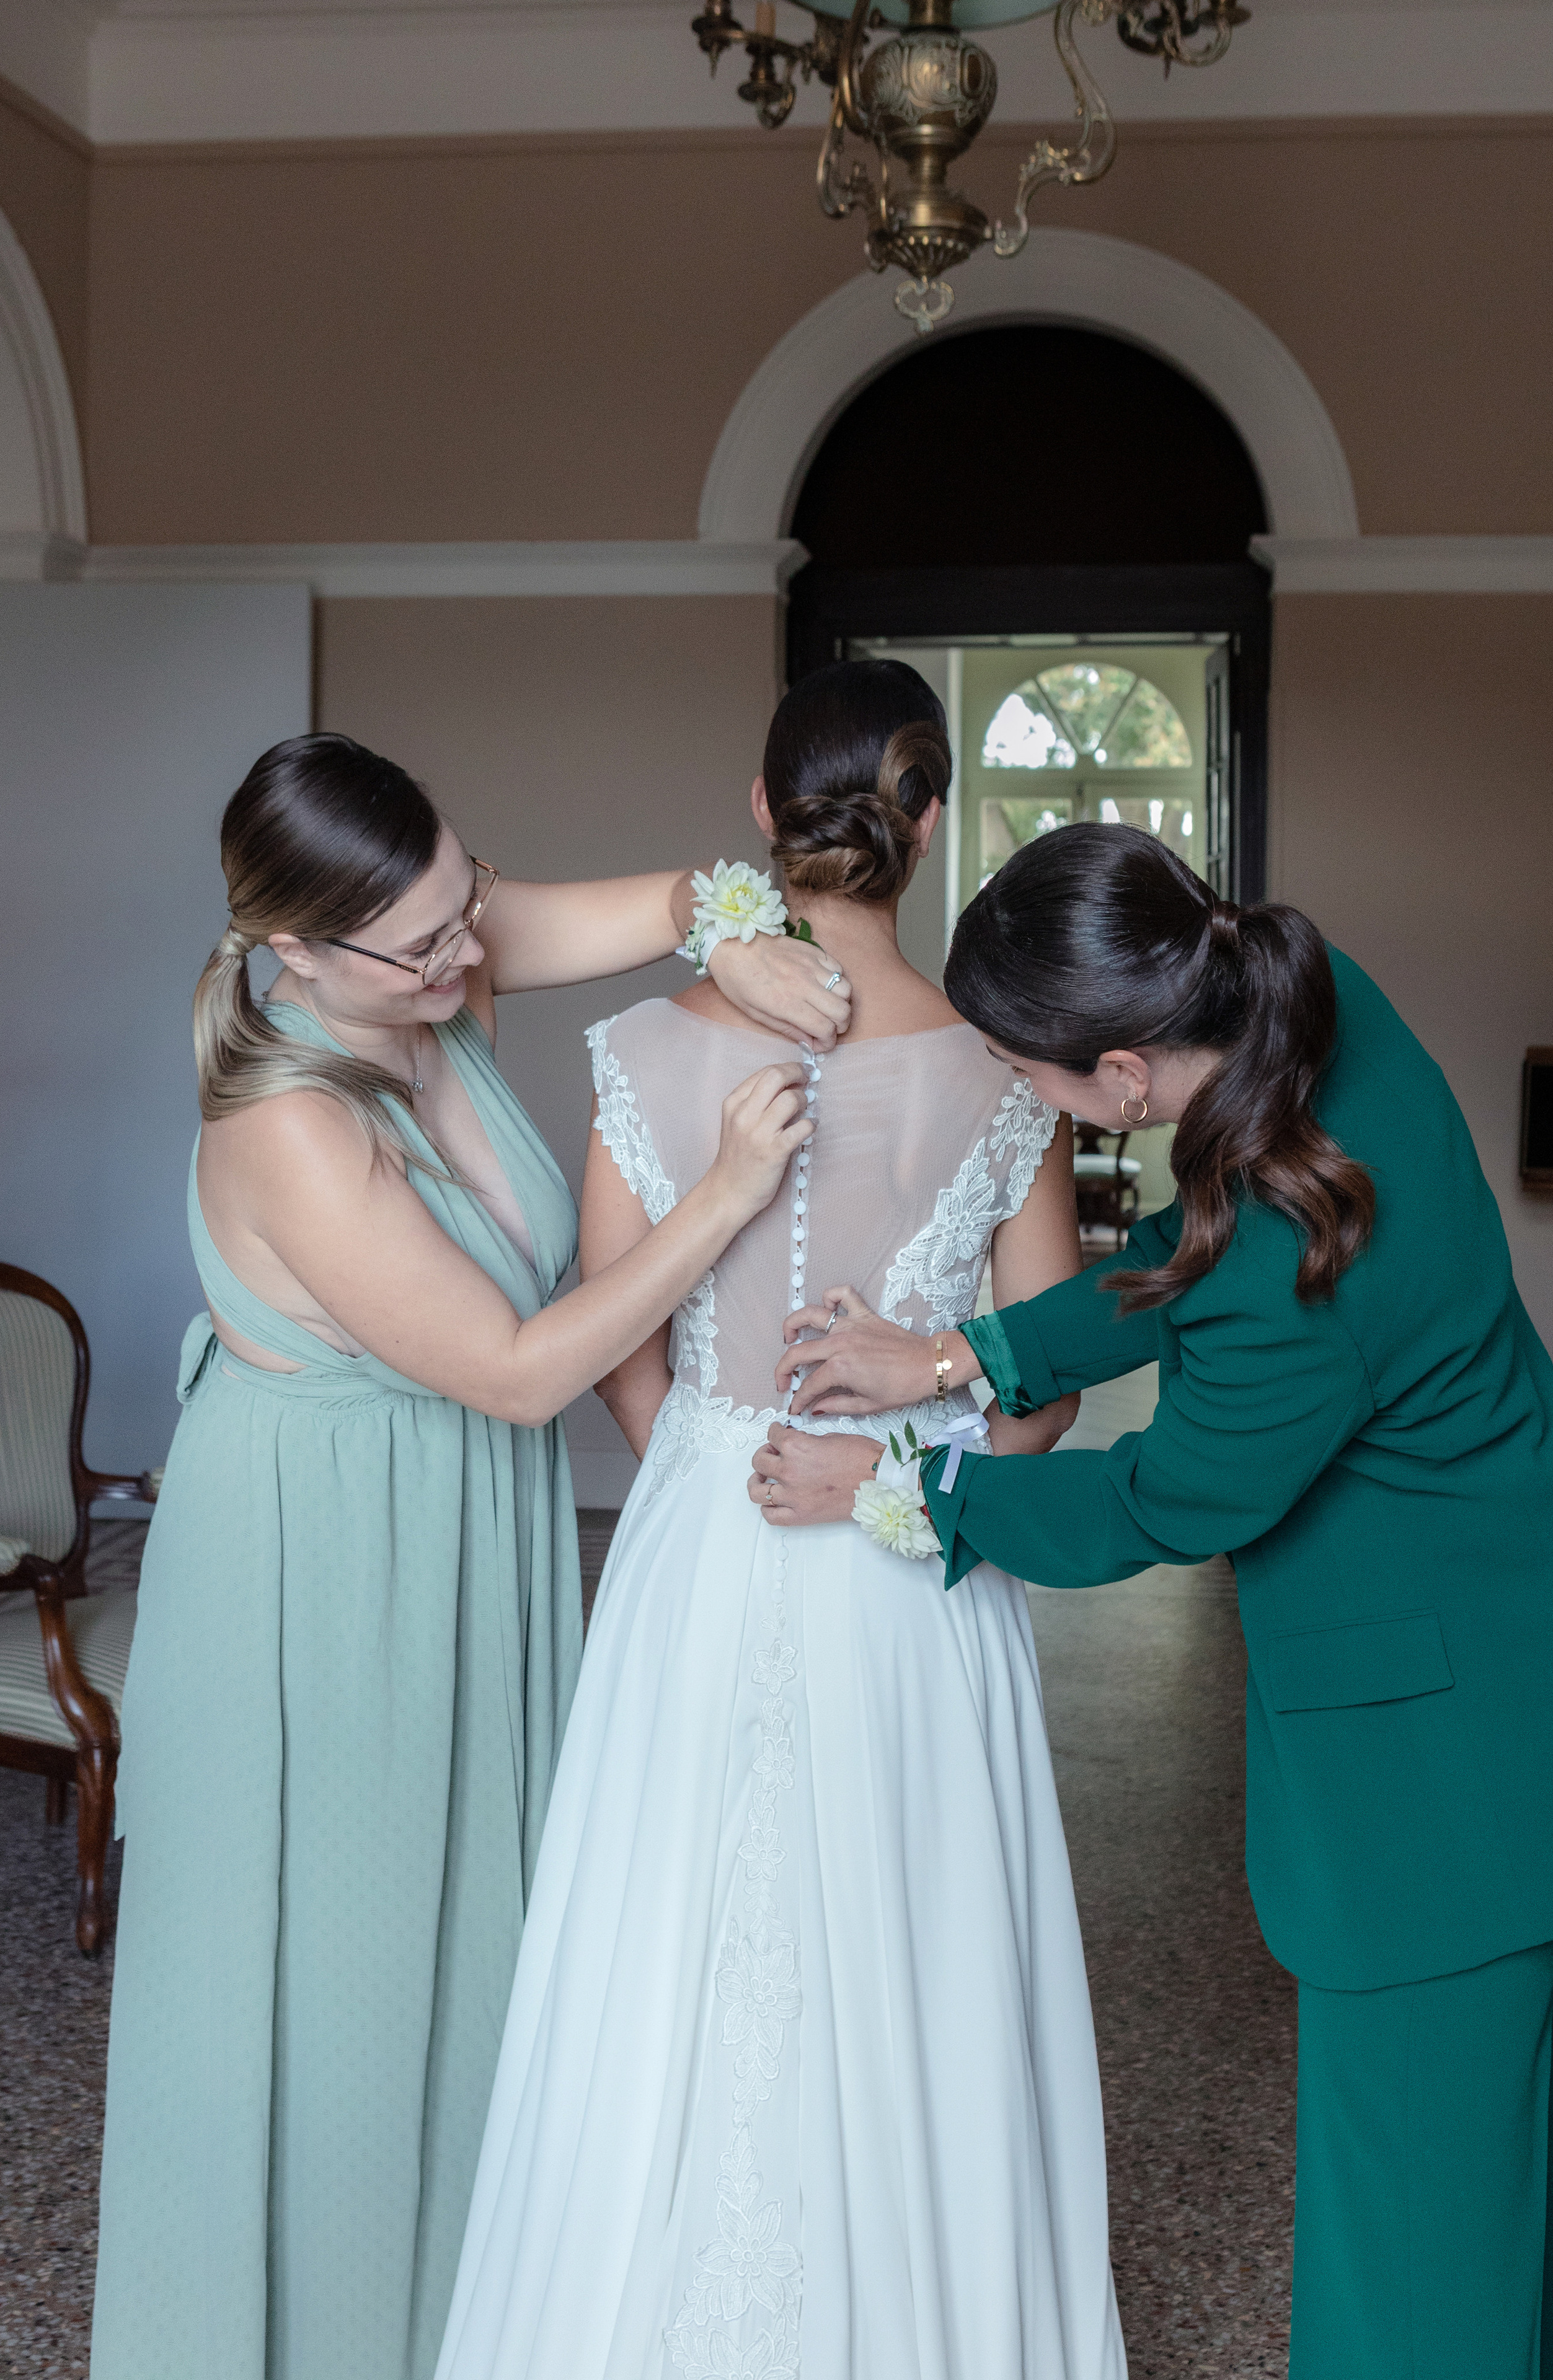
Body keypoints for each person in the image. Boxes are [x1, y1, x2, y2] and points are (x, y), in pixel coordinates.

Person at [91, 732, 852, 2380]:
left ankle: (465, 2326)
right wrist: (720, 1196)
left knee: (476, 1953)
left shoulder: (435, 955)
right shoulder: (289, 1122)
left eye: (467, 903)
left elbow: (668, 892)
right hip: (321, 1573)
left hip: (459, 1522)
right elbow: (518, 1370)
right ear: (293, 947)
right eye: (424, 938)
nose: (466, 951)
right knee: (335, 1994)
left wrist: (733, 923)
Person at [776, 818, 1553, 2379]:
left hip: (1436, 1777)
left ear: (1125, 1076)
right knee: (1505, 2196)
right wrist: (968, 1356)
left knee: (1409, 2240)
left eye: (1030, 1069)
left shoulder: (1288, 1276)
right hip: (1518, 1645)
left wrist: (903, 1493)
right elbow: (1181, 1251)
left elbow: (1162, 1498)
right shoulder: (1302, 994)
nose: (1019, 1089)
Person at [434, 660, 1126, 2380]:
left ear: (764, 818)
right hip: (906, 1566)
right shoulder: (1006, 1073)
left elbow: (613, 1339)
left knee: (662, 1957)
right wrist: (905, 1480)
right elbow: (1043, 1388)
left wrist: (707, 1473)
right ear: (929, 818)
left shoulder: (642, 1048)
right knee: (917, 1957)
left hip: (700, 1534)